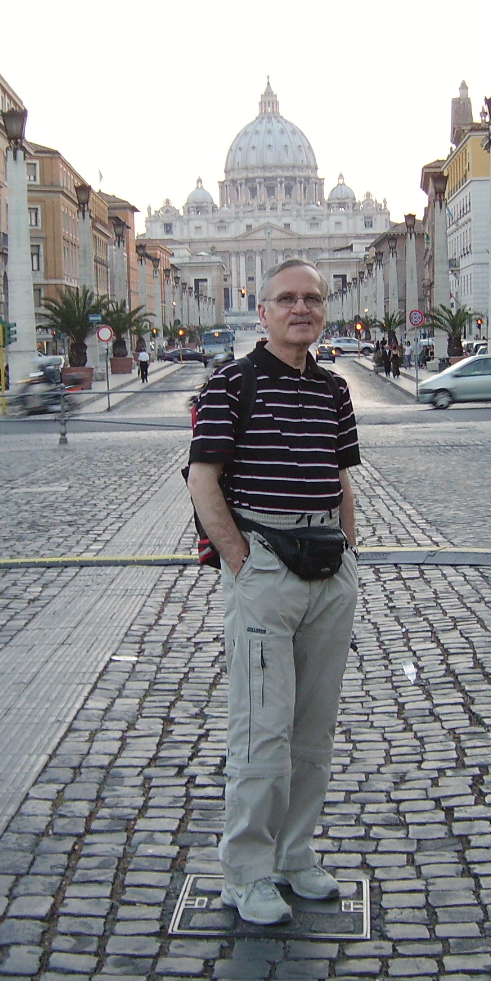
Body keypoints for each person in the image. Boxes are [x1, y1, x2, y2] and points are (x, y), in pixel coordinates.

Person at [186, 258, 361, 925]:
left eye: (312, 299)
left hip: (327, 565)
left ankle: (295, 855)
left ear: (323, 310)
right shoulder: (230, 384)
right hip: (265, 566)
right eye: (286, 298)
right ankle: (246, 872)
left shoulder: (335, 390)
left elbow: (341, 478)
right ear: (262, 312)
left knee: (312, 730)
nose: (301, 309)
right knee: (261, 731)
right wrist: (240, 561)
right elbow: (204, 479)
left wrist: (350, 552)